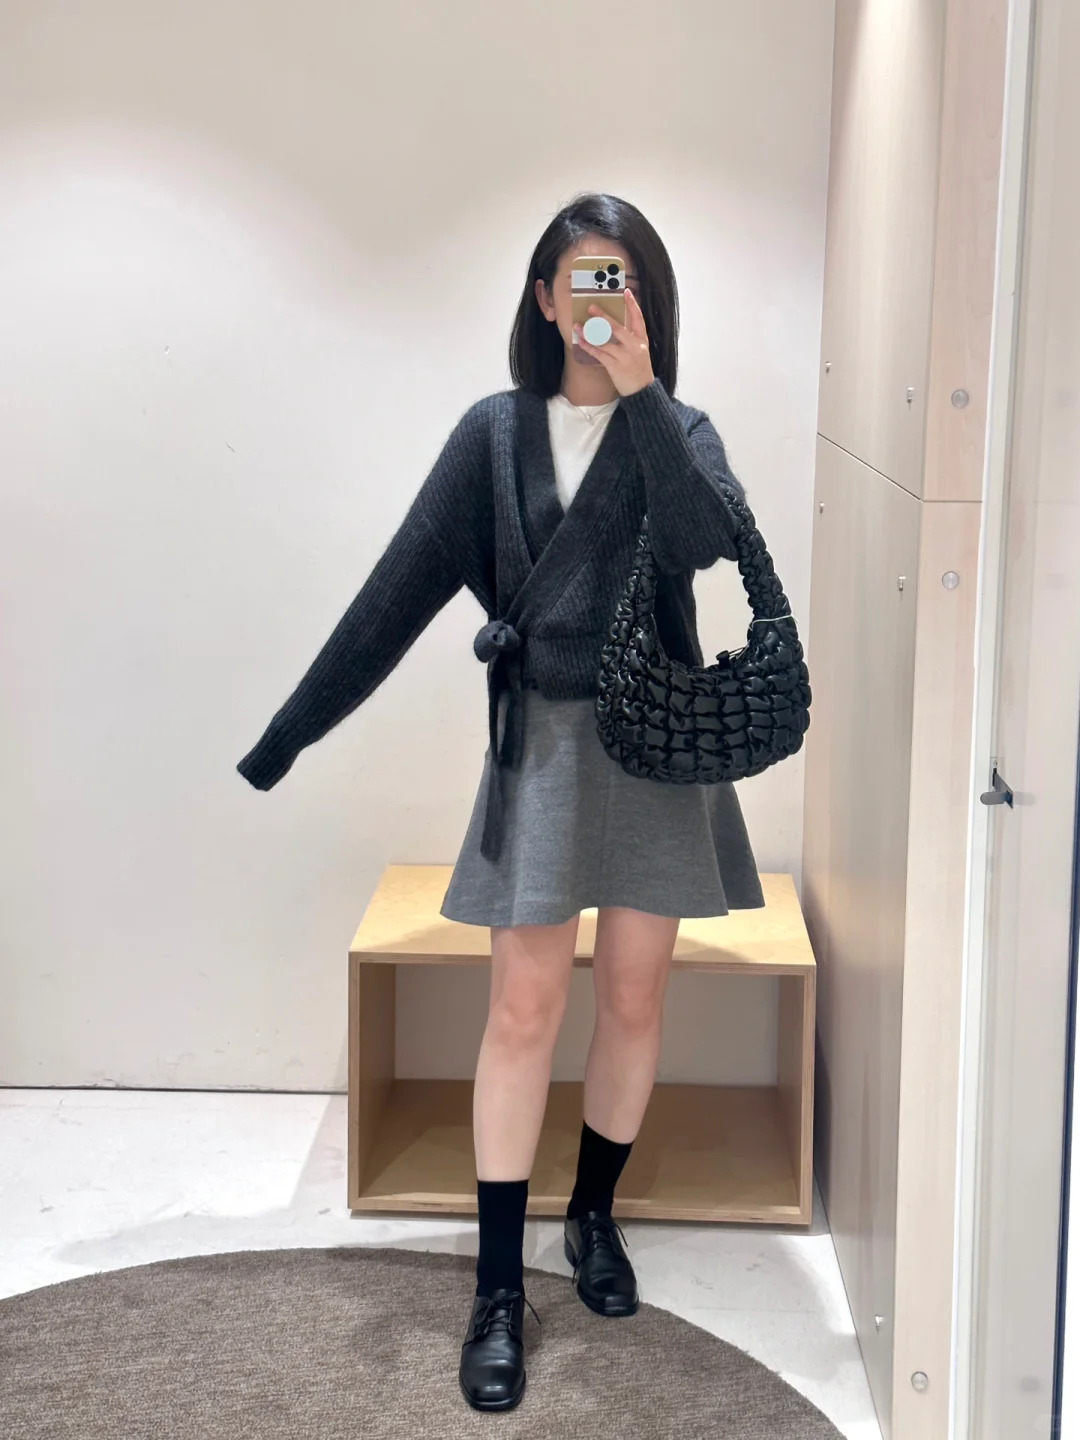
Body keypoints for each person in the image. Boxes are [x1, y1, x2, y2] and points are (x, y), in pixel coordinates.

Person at [236, 191, 765, 1413]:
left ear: (651, 300)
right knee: (524, 1008)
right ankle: (493, 1287)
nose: (601, 303)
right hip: (543, 751)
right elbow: (396, 591)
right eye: (582, 281)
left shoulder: (682, 427)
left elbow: (706, 546)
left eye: (622, 281)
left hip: (658, 743)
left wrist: (642, 396)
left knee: (633, 995)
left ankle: (592, 1217)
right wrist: (288, 736)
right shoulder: (493, 433)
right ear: (541, 298)